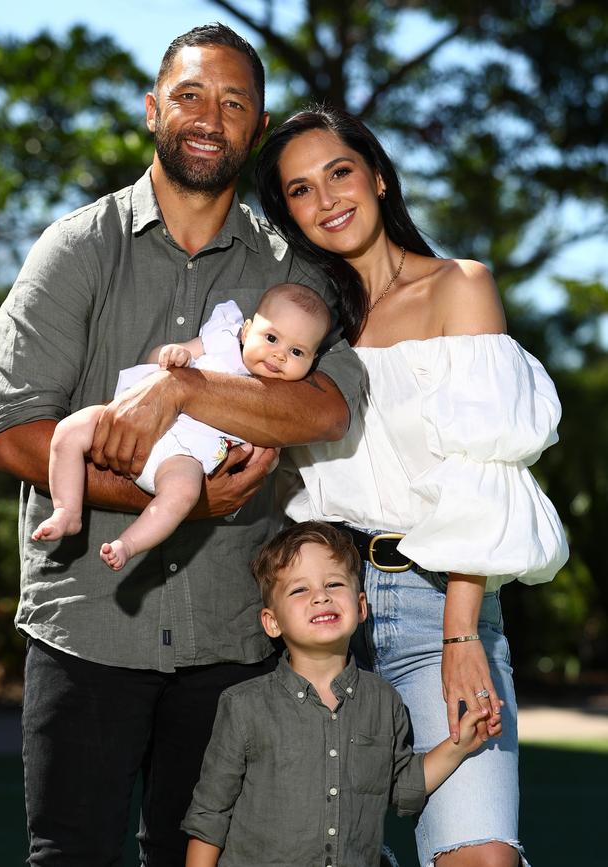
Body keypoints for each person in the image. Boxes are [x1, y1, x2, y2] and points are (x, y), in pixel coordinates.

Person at [0, 27, 363, 866]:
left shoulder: (288, 269)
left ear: (255, 130)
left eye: (234, 104)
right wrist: (162, 497)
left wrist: (187, 389)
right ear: (153, 111)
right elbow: (8, 433)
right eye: (190, 95)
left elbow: (330, 406)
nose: (209, 118)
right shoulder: (76, 247)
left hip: (232, 640)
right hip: (87, 632)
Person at [255, 105, 569, 867]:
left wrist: (464, 632)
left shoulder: (459, 286)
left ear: (379, 177)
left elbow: (484, 470)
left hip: (436, 607)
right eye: (300, 189)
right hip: (319, 612)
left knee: (478, 854)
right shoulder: (304, 328)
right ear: (289, 214)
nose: (326, 197)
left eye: (339, 172)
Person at [182, 521, 500, 867]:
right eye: (299, 590)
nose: (321, 596)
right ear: (272, 622)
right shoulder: (244, 707)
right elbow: (210, 816)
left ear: (361, 606)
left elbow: (401, 786)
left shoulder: (384, 701)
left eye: (334, 583)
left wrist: (460, 745)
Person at [31, 285, 331, 571]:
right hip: (130, 423)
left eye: (297, 352)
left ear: (312, 360)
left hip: (183, 456)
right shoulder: (221, 341)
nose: (280, 355)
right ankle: (67, 511)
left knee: (182, 494)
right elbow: (156, 360)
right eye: (272, 338)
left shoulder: (284, 399)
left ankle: (128, 544)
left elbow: (267, 454)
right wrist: (175, 355)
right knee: (70, 429)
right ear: (247, 329)